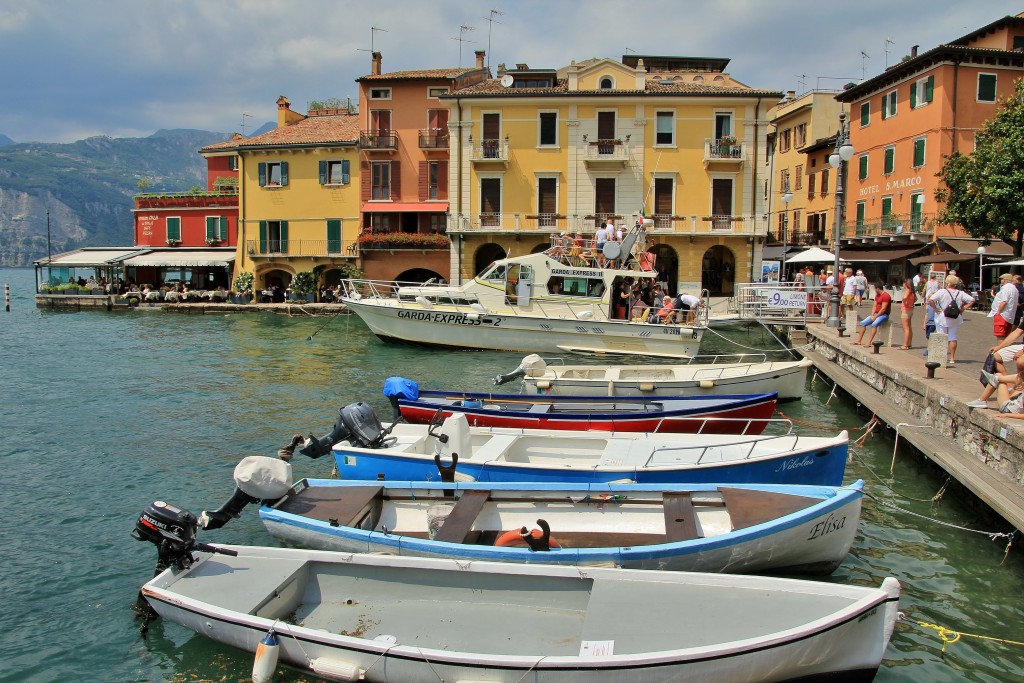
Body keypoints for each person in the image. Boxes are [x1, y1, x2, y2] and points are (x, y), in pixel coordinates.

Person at [928, 274, 975, 366]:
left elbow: (931, 300)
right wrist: (963, 308)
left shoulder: (942, 292)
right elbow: (972, 300)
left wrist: (935, 309)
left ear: (947, 283)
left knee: (941, 336)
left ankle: (941, 356)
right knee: (952, 337)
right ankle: (952, 358)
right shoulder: (960, 293)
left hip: (943, 316)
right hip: (955, 317)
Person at [853, 279, 891, 347]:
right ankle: (859, 341)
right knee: (862, 323)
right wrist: (872, 315)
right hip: (876, 314)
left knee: (874, 324)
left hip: (884, 315)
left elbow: (883, 309)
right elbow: (875, 306)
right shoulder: (877, 296)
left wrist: (875, 317)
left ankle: (869, 342)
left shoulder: (886, 296)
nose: (874, 290)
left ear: (877, 289)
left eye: (874, 289)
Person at [988, 272, 1018, 342]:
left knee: (1000, 335)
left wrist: (998, 312)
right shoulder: (1014, 289)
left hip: (1002, 314)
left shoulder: (1006, 288)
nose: (1001, 281)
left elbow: (1004, 301)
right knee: (1006, 334)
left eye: (1001, 279)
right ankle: (1003, 349)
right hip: (1009, 314)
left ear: (1005, 280)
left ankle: (1000, 350)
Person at [898, 278, 916, 350]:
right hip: (910, 310)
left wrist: (905, 303)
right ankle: (909, 343)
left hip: (905, 310)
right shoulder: (912, 291)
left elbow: (905, 297)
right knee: (909, 327)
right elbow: (916, 299)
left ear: (906, 284)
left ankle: (905, 345)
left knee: (906, 328)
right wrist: (911, 304)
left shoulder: (907, 291)